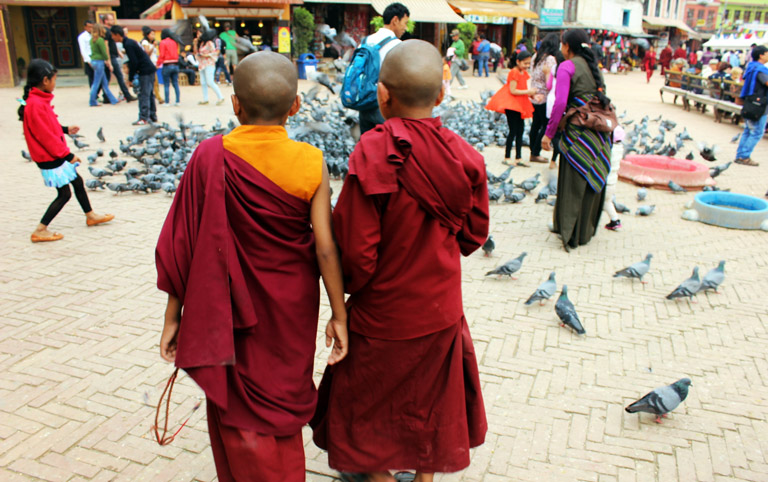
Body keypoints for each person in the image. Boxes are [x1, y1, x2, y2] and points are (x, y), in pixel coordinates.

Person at [156, 51, 348, 480]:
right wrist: (339, 314)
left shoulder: (209, 156)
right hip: (290, 308)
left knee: (238, 402)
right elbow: (326, 247)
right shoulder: (309, 162)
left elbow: (183, 245)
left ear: (235, 104)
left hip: (228, 313)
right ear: (296, 106)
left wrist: (174, 317)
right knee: (280, 396)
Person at [311, 39, 488, 482]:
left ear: (382, 95)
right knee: (431, 397)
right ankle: (424, 477)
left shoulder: (372, 151)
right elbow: (473, 235)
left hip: (385, 308)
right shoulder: (465, 157)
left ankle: (379, 477)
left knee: (367, 397)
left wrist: (347, 294)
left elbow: (357, 249)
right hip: (439, 305)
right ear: (441, 96)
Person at [19, 59, 114, 243]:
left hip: (50, 154)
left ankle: (90, 215)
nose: (55, 83)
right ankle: (40, 229)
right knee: (64, 194)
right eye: (54, 79)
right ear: (45, 80)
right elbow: (45, 136)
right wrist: (68, 155)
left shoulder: (37, 100)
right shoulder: (36, 104)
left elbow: (47, 126)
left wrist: (64, 129)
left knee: (77, 182)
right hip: (49, 156)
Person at [541, 29, 612, 251]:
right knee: (590, 180)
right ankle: (584, 231)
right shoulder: (594, 68)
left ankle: (568, 232)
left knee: (572, 183)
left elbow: (560, 103)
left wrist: (549, 133)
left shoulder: (567, 66)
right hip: (599, 133)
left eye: (562, 44)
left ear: (566, 46)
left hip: (578, 133)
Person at [358, 2, 410, 135]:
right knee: (389, 147)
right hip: (385, 106)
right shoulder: (397, 45)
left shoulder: (365, 41)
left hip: (364, 104)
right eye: (405, 23)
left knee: (367, 147)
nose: (406, 28)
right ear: (395, 20)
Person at [485, 48, 535, 167]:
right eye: (525, 63)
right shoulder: (514, 72)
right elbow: (512, 90)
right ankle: (507, 156)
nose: (527, 65)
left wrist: (530, 94)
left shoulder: (523, 73)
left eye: (529, 63)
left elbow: (521, 89)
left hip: (520, 104)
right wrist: (528, 91)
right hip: (512, 104)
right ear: (518, 61)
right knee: (513, 130)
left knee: (520, 130)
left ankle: (518, 157)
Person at [111, 26, 157, 125]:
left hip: (144, 70)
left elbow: (134, 61)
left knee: (144, 94)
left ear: (117, 35)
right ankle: (152, 116)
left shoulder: (128, 44)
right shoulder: (130, 42)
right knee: (149, 93)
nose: (112, 38)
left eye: (113, 35)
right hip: (149, 68)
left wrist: (131, 77)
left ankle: (143, 117)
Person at [734, 45, 768, 167]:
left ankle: (740, 155)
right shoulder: (760, 69)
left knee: (748, 131)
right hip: (759, 105)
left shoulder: (751, 67)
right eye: (767, 53)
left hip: (750, 102)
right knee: (757, 132)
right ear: (761, 55)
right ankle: (744, 156)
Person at [529, 33, 559, 164]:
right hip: (544, 97)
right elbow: (550, 83)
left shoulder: (536, 57)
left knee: (535, 125)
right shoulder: (550, 59)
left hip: (534, 95)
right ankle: (536, 152)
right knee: (545, 125)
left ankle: (532, 151)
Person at [101, 16, 135, 103]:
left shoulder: (110, 31)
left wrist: (118, 52)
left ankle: (106, 96)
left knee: (107, 77)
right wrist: (108, 59)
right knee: (119, 76)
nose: (113, 21)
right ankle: (126, 95)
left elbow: (112, 44)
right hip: (110, 57)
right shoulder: (106, 31)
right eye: (111, 19)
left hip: (112, 55)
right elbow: (106, 46)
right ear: (106, 21)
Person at [89, 24, 119, 107]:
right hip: (99, 61)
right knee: (96, 82)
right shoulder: (100, 40)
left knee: (104, 82)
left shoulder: (92, 40)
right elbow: (104, 52)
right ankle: (92, 101)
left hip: (94, 60)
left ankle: (113, 99)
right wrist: (108, 61)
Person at [196, 29, 226, 106]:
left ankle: (220, 97)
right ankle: (205, 99)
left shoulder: (210, 43)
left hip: (209, 63)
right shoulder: (201, 43)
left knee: (210, 81)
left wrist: (206, 55)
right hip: (202, 64)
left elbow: (214, 53)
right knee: (203, 82)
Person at [603, 126, 624, 231]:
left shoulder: (610, 150)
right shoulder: (620, 148)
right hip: (613, 182)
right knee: (608, 202)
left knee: (604, 202)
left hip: (606, 182)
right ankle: (615, 220)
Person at [157, 29, 180, 106]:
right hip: (175, 64)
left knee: (166, 84)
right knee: (175, 83)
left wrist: (158, 63)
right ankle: (177, 101)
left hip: (167, 65)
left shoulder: (162, 43)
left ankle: (167, 102)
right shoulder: (174, 42)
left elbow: (162, 55)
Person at [141, 26, 164, 105]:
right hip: (149, 64)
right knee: (154, 81)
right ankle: (158, 97)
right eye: (152, 34)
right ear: (147, 35)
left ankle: (156, 96)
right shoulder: (145, 42)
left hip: (154, 64)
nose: (153, 36)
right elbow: (147, 53)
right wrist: (153, 46)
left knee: (154, 81)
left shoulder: (151, 43)